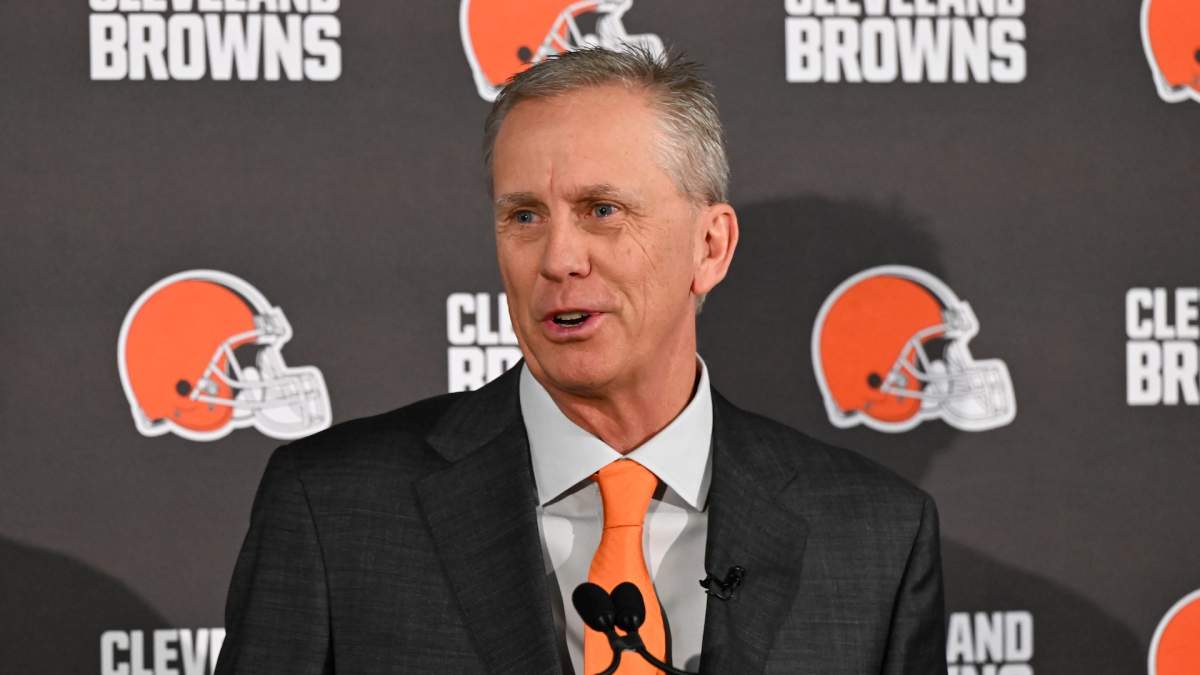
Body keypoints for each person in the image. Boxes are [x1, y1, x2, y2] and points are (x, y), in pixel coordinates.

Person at [214, 46, 946, 675]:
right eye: (524, 216)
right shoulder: (334, 509)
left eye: (602, 210)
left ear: (710, 247)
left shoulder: (876, 537)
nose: (558, 258)